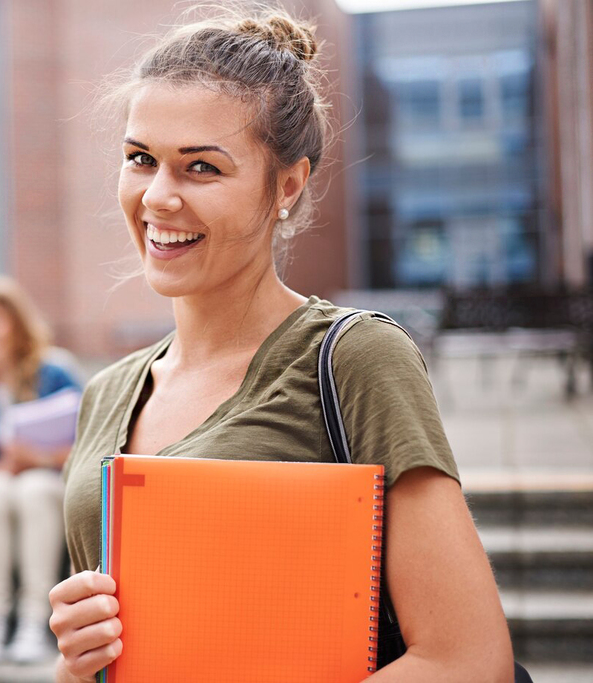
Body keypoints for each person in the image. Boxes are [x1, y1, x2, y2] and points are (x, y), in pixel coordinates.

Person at [48, 6, 515, 683]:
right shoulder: (107, 391)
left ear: (287, 186)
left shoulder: (354, 357)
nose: (157, 196)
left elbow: (468, 660)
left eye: (201, 167)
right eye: (140, 159)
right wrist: (75, 660)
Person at [0, 275, 82, 663]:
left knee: (32, 488)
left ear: (16, 322)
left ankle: (33, 619)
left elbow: (89, 445)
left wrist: (35, 459)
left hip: (51, 483)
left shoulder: (55, 372)